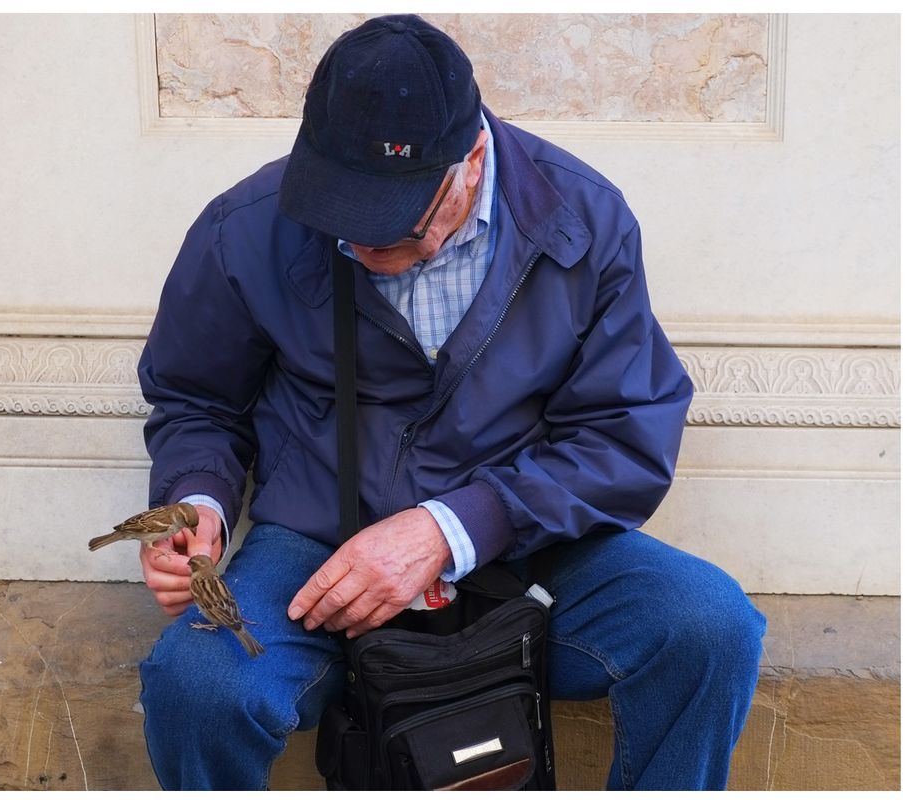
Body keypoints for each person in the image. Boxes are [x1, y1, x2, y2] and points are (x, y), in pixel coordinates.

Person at [136, 14, 766, 791]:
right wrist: (195, 505)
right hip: (315, 553)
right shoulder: (246, 226)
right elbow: (197, 401)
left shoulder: (583, 218)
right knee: (196, 685)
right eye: (342, 215)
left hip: (529, 547)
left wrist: (451, 527)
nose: (363, 247)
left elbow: (623, 437)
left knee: (710, 626)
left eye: (393, 226)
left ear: (469, 160)